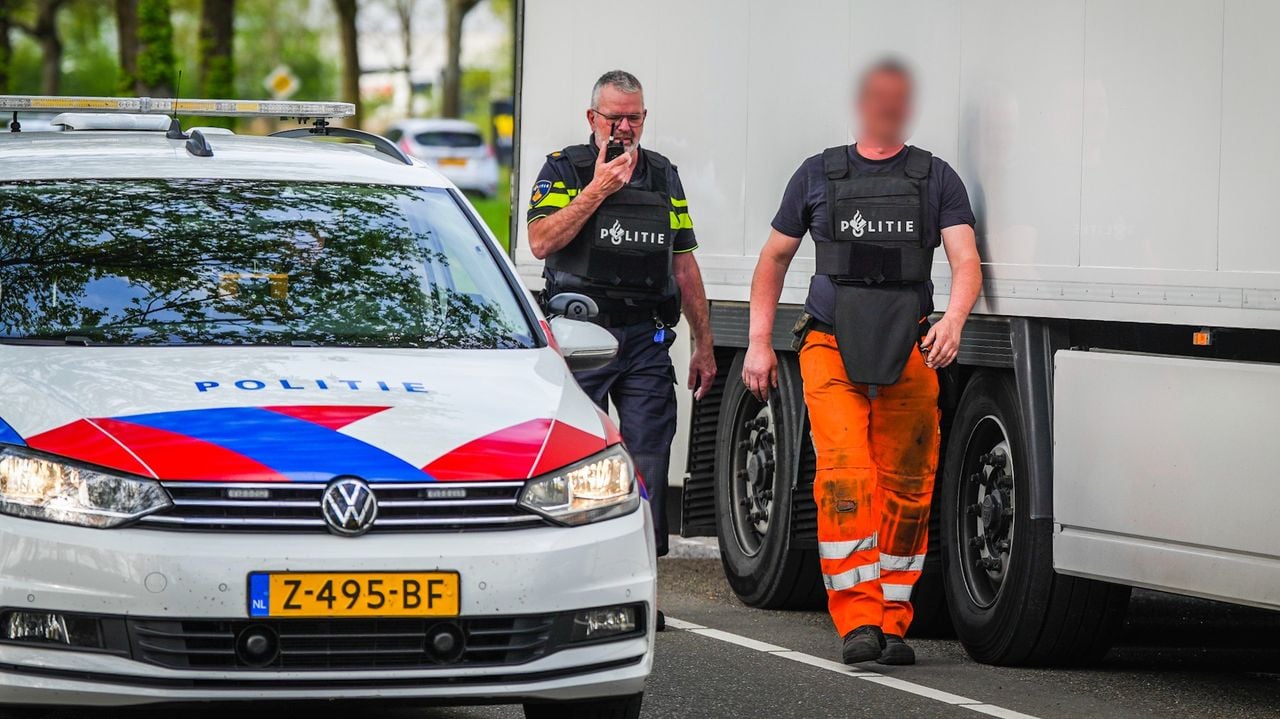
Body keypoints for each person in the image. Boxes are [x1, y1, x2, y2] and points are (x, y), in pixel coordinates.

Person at [741, 59, 982, 665]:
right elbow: (773, 259)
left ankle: (893, 621)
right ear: (860, 105)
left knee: (908, 484)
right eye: (879, 98)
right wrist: (758, 342)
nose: (888, 108)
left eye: (899, 99)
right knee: (845, 476)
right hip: (829, 343)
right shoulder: (817, 174)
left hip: (911, 345)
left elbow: (965, 261)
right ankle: (857, 622)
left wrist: (954, 320)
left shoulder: (936, 177)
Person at [526, 70, 717, 626]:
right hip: (580, 336)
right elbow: (541, 241)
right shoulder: (564, 169)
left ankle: (641, 589)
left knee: (649, 459)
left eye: (634, 117)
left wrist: (704, 344)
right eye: (614, 118)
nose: (625, 127)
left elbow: (683, 263)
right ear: (593, 119)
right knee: (578, 458)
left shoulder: (662, 175)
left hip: (644, 339)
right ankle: (574, 585)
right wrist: (598, 190)